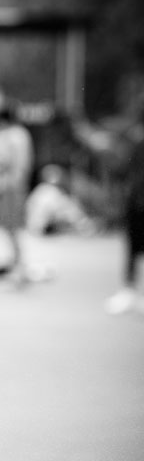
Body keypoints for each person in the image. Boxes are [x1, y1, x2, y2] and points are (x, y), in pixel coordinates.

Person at [0, 107, 35, 283]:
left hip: (9, 185)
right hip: (13, 184)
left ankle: (19, 262)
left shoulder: (13, 135)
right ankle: (17, 259)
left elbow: (7, 161)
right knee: (9, 225)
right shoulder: (19, 134)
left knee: (11, 224)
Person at [104, 118, 144, 315]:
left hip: (138, 202)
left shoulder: (137, 139)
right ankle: (129, 291)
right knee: (133, 249)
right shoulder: (136, 139)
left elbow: (122, 169)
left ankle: (130, 291)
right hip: (136, 201)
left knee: (133, 248)